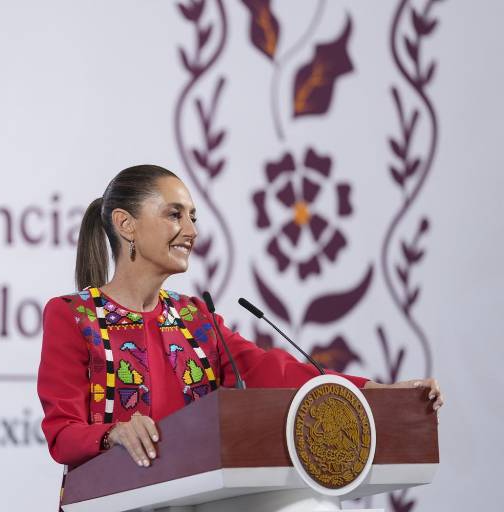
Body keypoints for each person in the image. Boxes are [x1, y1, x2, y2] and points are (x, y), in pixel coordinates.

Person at [37, 164, 443, 473]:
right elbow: (62, 432)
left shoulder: (194, 318)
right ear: (126, 224)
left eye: (194, 216)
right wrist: (114, 432)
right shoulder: (73, 316)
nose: (191, 230)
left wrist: (376, 392)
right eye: (175, 214)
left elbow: (275, 371)